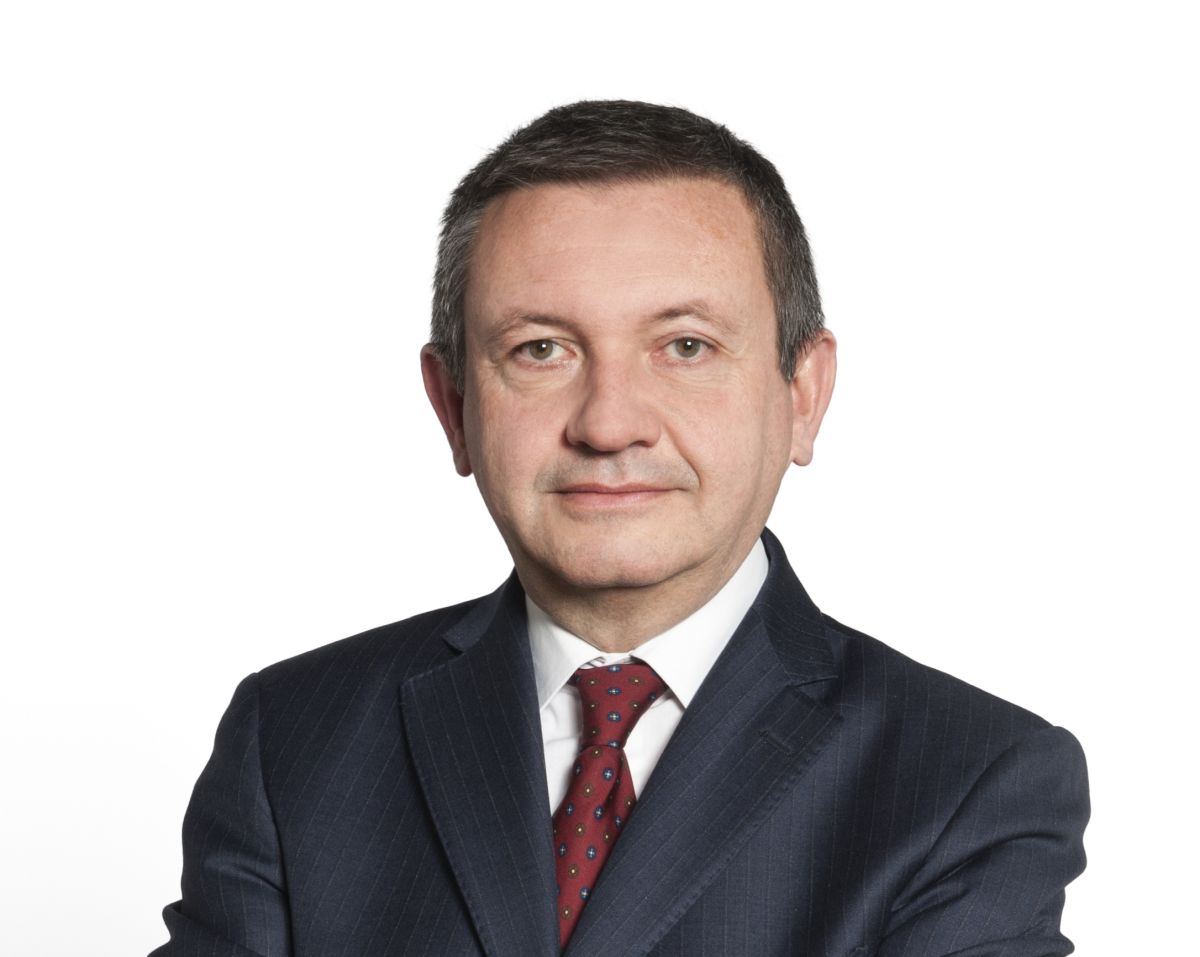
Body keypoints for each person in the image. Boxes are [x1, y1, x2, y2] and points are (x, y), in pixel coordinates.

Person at [151, 100, 1089, 956]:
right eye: (541, 349)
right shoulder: (294, 741)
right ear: (453, 406)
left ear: (802, 395)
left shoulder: (969, 780)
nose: (609, 423)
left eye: (685, 346)